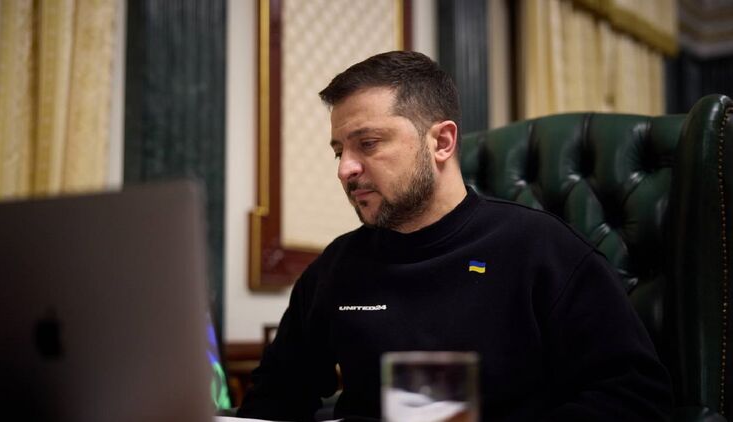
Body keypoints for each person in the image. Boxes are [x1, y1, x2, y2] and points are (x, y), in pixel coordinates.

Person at [237, 51, 672, 421]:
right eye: (339, 152)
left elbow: (636, 397)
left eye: (367, 144)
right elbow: (274, 400)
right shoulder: (336, 267)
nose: (345, 169)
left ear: (442, 142)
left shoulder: (541, 249)